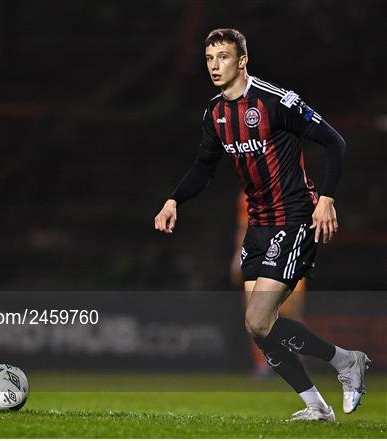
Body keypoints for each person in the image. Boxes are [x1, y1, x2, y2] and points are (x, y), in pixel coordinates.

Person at [154, 28, 370, 421]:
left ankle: (345, 363)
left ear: (242, 60)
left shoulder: (275, 101)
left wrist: (326, 199)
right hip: (258, 224)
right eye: (209, 58)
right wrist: (174, 200)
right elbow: (204, 167)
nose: (215, 65)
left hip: (294, 217)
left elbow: (335, 142)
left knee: (257, 318)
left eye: (223, 57)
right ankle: (319, 404)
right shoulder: (215, 114)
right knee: (260, 328)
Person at [231, 191, 307, 378]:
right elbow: (243, 229)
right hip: (257, 259)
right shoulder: (246, 196)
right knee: (255, 314)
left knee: (291, 314)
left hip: (289, 257)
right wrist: (237, 258)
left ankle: (297, 364)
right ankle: (263, 364)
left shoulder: (295, 188)